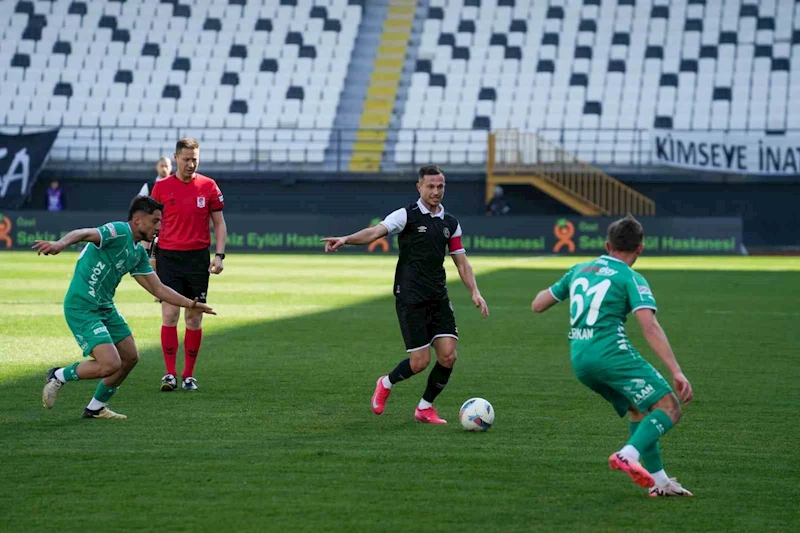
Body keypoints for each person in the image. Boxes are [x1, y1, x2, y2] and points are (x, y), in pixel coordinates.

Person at [531, 215, 694, 497]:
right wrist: (676, 370)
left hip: (580, 360)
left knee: (638, 409)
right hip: (610, 354)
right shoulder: (630, 277)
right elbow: (649, 326)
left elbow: (538, 304)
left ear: (607, 244)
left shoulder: (579, 269)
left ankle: (661, 482)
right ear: (640, 248)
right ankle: (628, 454)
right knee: (669, 407)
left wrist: (564, 285)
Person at [322, 165, 489, 424]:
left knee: (448, 355)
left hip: (438, 295)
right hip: (410, 296)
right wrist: (346, 239)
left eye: (440, 186)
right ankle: (386, 382)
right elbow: (374, 232)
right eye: (431, 186)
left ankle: (425, 408)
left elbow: (461, 262)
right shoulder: (406, 215)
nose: (436, 191)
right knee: (420, 362)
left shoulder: (450, 223)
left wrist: (475, 292)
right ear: (419, 187)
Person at [35, 196, 216, 419]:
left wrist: (191, 303)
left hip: (105, 307)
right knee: (110, 364)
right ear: (138, 220)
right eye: (155, 220)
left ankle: (95, 408)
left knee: (130, 357)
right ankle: (59, 375)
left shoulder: (138, 253)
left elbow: (158, 289)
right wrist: (60, 244)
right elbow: (83, 233)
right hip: (81, 306)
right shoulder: (118, 231)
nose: (159, 226)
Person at [151, 138, 227, 392]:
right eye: (186, 159)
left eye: (195, 158)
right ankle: (170, 374)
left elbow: (219, 223)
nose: (191, 163)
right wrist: (150, 256)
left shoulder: (208, 186)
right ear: (176, 158)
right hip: (168, 259)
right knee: (170, 314)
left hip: (197, 260)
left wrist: (219, 255)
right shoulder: (161, 188)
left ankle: (188, 375)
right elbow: (153, 226)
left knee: (194, 317)